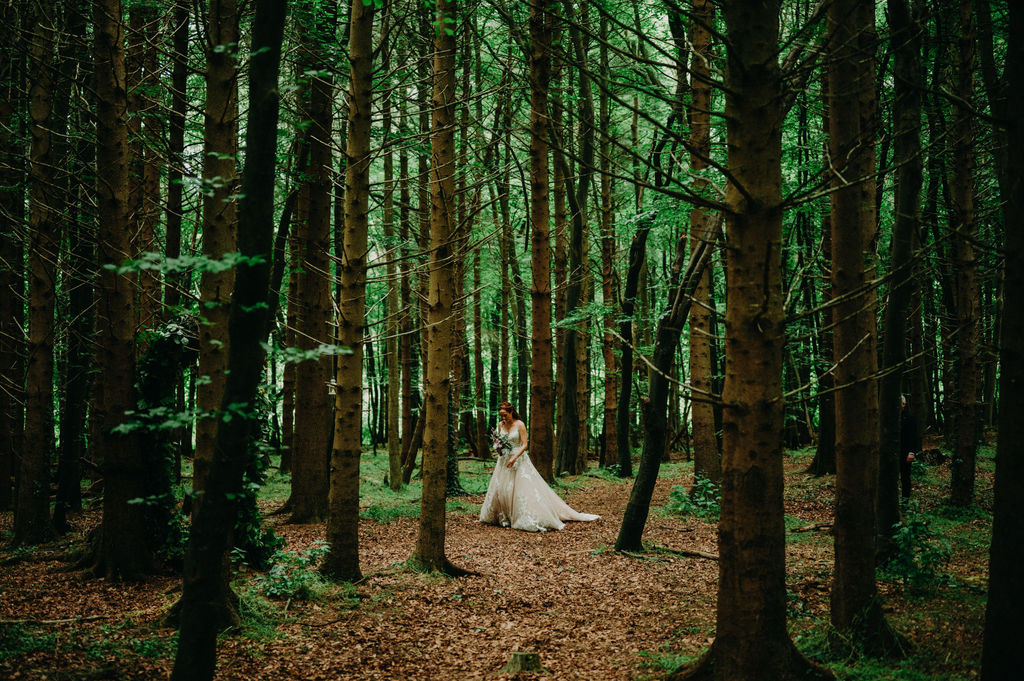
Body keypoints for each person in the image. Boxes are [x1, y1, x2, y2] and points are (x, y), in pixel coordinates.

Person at [479, 401, 600, 532]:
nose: (503, 418)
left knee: (520, 488)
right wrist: (497, 448)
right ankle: (503, 516)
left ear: (511, 412)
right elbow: (497, 441)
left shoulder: (520, 424)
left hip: (518, 459)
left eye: (505, 415)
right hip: (503, 460)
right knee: (502, 488)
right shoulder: (500, 425)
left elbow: (525, 445)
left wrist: (514, 458)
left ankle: (521, 516)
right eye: (501, 415)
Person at [899, 394, 921, 500]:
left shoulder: (910, 419)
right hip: (891, 454)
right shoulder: (888, 419)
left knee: (905, 478)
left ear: (904, 404)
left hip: (905, 453)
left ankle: (905, 502)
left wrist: (912, 452)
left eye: (901, 403)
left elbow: (913, 437)